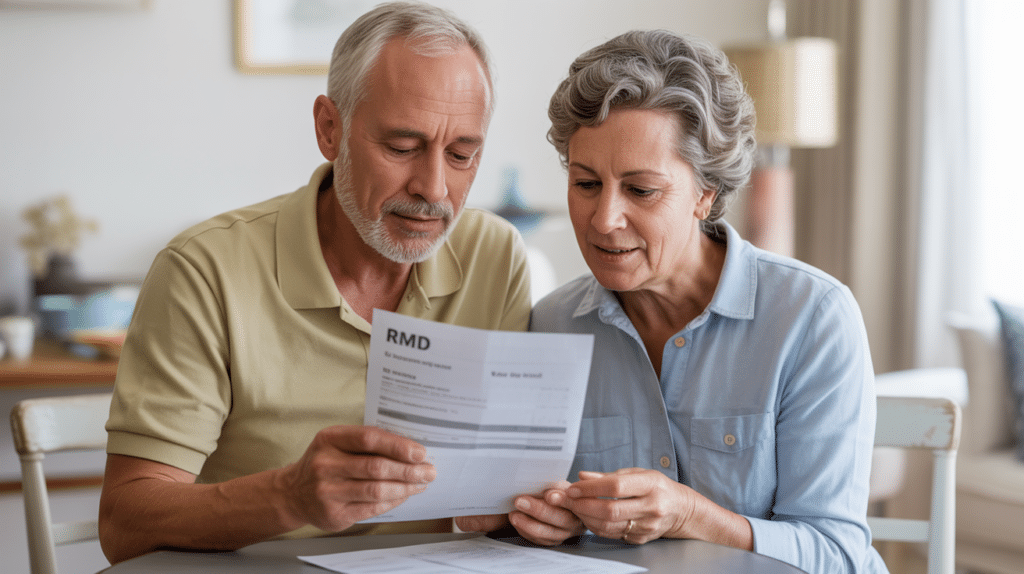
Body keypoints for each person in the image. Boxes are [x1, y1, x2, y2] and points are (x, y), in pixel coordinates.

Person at [98, 2, 531, 564]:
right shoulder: (204, 270)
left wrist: (521, 508)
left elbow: (502, 488)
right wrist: (290, 496)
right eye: (401, 147)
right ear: (330, 129)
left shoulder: (494, 257)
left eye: (462, 154)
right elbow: (125, 522)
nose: (434, 188)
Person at [457, 30, 888, 573]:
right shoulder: (551, 325)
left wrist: (691, 516)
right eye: (586, 183)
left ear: (705, 193)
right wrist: (547, 526)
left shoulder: (813, 318)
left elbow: (838, 556)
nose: (604, 219)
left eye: (641, 191)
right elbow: (539, 532)